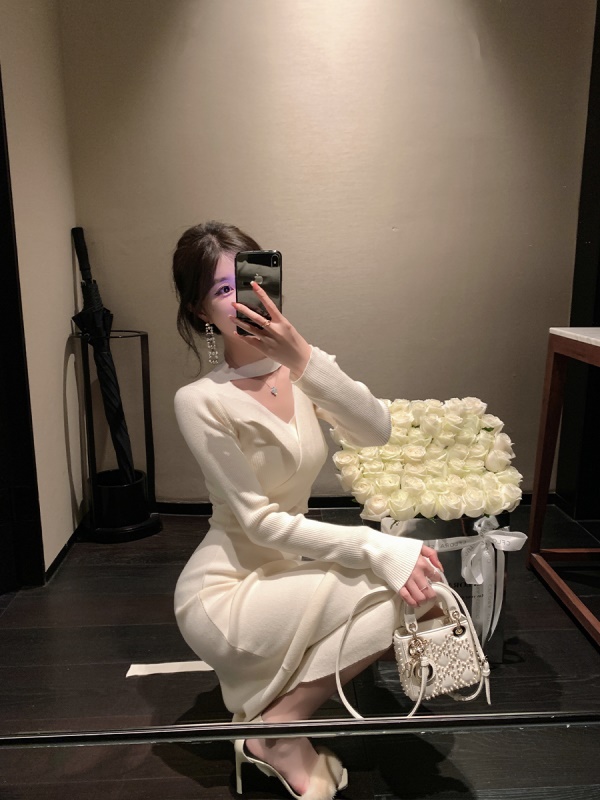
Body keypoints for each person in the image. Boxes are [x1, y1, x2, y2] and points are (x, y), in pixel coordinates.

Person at [172, 221, 444, 800]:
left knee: (417, 588)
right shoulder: (199, 400)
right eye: (222, 289)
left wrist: (304, 359)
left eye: (249, 278)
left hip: (289, 568)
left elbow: (376, 430)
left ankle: (275, 725)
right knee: (403, 587)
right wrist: (375, 546)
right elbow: (260, 523)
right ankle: (279, 733)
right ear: (199, 309)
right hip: (226, 590)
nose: (241, 298)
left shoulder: (303, 372)